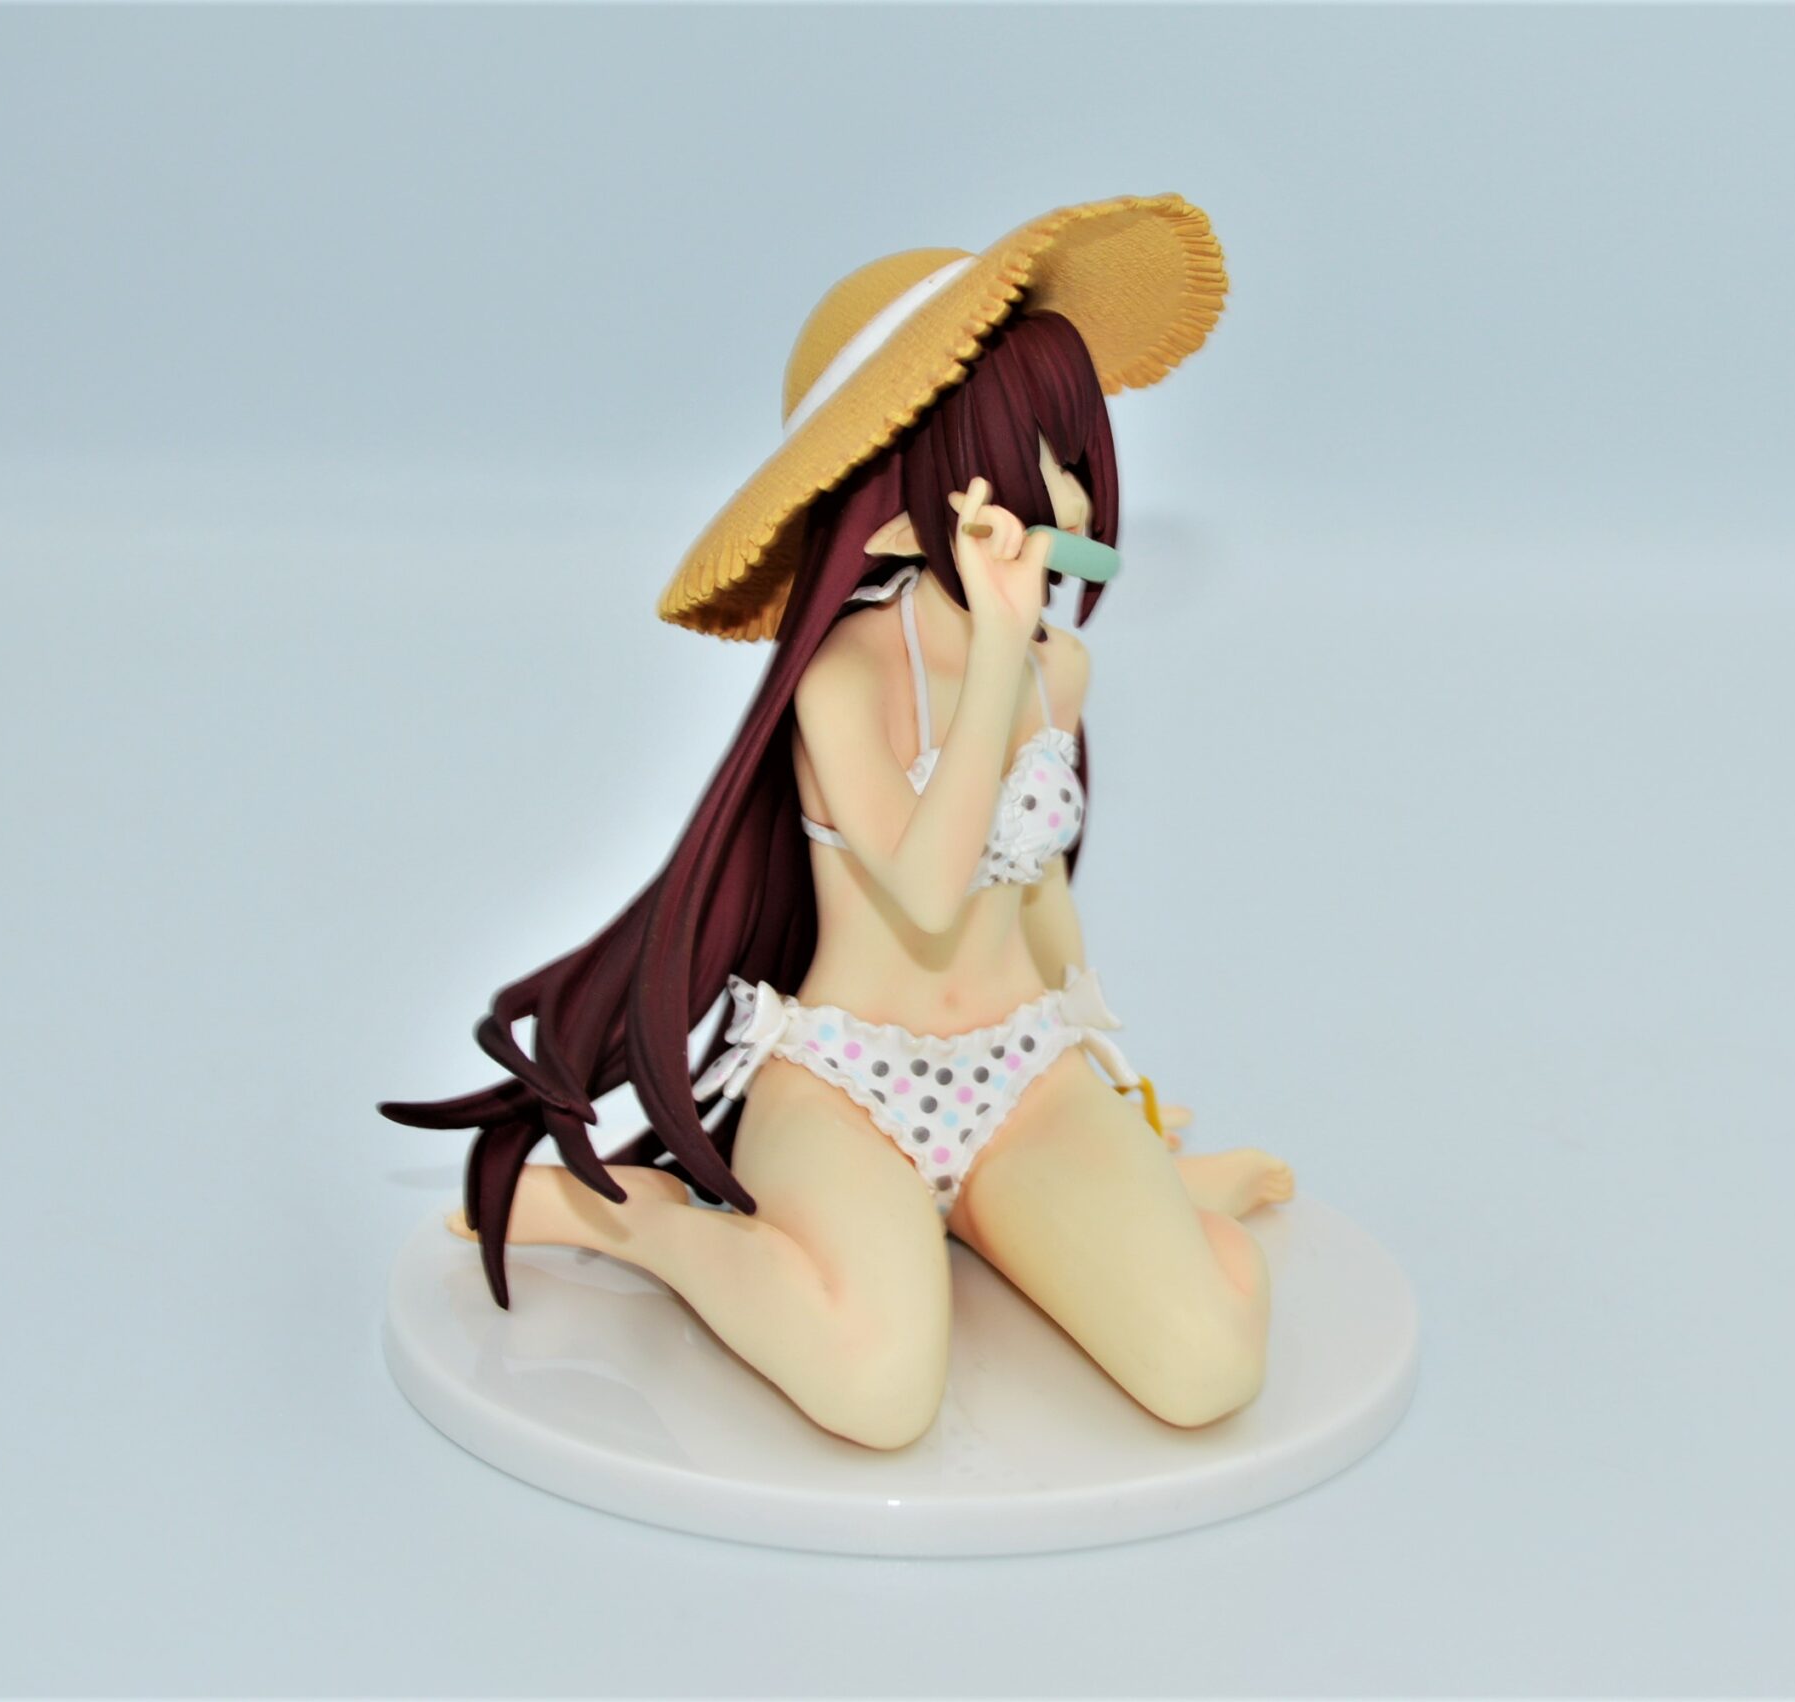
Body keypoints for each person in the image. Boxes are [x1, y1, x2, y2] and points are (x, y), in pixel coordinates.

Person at [381, 193, 1292, 1450]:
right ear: (914, 490)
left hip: (1022, 1074)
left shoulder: (1060, 670)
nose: (1072, 506)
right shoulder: (847, 675)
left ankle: (1037, 1213)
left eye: (1075, 461)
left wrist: (1112, 1081)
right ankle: (649, 1226)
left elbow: (1032, 887)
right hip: (851, 1084)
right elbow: (926, 889)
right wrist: (992, 664)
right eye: (1032, 463)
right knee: (877, 1394)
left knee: (1208, 1368)